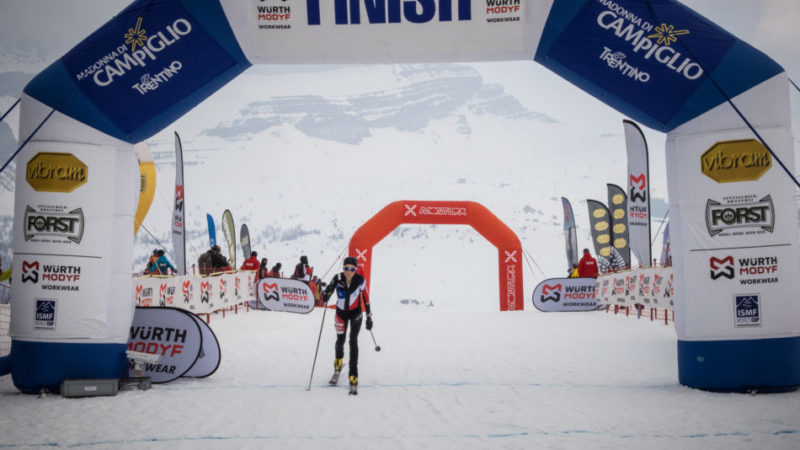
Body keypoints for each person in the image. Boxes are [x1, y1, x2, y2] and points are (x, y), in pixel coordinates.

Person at [323, 256, 372, 395]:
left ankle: (353, 375)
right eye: (346, 268)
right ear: (343, 268)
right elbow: (329, 290)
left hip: (356, 314)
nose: (348, 271)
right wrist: (325, 295)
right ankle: (337, 367)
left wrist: (369, 316)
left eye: (351, 269)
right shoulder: (337, 278)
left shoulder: (360, 280)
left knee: (353, 342)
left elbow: (366, 298)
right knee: (340, 341)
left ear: (355, 270)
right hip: (341, 314)